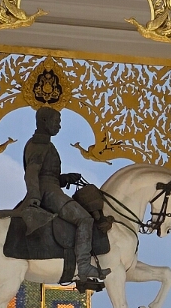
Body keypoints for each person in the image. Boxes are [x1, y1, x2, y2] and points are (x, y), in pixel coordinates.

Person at [19, 106, 106, 292]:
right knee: (85, 218)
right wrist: (34, 196)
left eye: (59, 122)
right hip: (48, 192)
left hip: (52, 187)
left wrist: (65, 178)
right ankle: (84, 266)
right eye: (56, 122)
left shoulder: (46, 144)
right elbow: (32, 173)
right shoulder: (39, 144)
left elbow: (47, 174)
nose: (59, 126)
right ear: (44, 121)